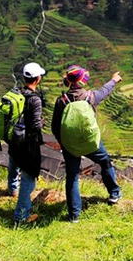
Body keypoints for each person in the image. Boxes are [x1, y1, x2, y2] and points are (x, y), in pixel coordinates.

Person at [52, 65, 123, 222]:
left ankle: (74, 215)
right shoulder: (90, 96)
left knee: (72, 177)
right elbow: (105, 91)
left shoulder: (61, 101)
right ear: (82, 80)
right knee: (105, 162)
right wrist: (114, 80)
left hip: (70, 145)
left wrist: (64, 143)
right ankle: (114, 193)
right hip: (91, 143)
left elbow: (55, 127)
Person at [8, 62, 46, 224]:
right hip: (29, 143)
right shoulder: (34, 99)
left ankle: (12, 189)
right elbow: (36, 125)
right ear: (37, 79)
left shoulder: (16, 94)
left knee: (14, 161)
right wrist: (43, 122)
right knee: (28, 177)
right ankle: (21, 216)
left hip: (15, 140)